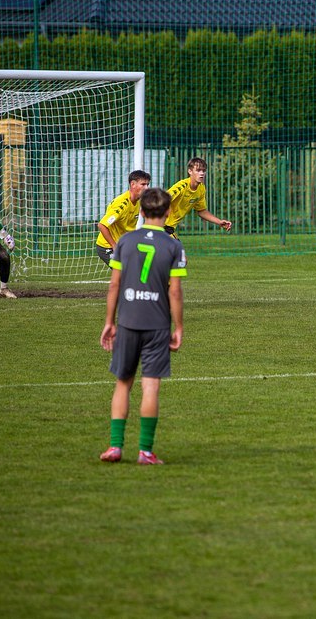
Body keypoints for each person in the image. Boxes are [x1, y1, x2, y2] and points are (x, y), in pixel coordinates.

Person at [99, 187, 187, 465]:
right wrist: (179, 327)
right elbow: (175, 291)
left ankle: (115, 447)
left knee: (123, 383)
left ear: (141, 210)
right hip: (157, 323)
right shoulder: (173, 245)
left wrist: (109, 322)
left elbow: (114, 285)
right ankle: (145, 452)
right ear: (168, 212)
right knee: (150, 387)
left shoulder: (125, 242)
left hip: (128, 321)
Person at [94, 170, 152, 265]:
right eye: (143, 184)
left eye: (147, 184)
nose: (146, 188)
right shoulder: (121, 205)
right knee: (126, 271)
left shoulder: (138, 201)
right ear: (133, 184)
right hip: (107, 247)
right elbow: (102, 225)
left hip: (124, 245)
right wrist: (114, 245)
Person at [164, 157, 232, 238]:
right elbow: (161, 200)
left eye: (203, 171)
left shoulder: (201, 188)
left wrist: (219, 222)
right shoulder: (182, 186)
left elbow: (202, 211)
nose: (202, 173)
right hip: (161, 226)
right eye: (198, 170)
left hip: (169, 228)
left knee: (175, 246)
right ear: (190, 171)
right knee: (175, 246)